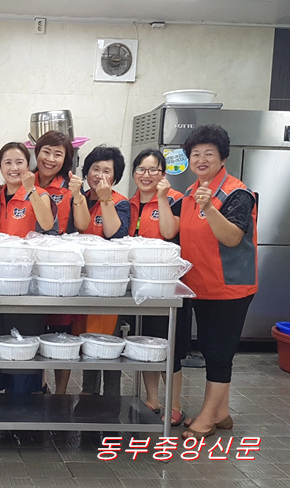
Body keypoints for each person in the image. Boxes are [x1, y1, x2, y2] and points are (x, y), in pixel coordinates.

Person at [162, 125, 257, 439]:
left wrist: (208, 208)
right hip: (199, 286)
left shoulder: (236, 193)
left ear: (223, 157)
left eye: (209, 154)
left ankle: (207, 419)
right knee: (209, 347)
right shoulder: (191, 192)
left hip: (229, 288)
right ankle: (221, 412)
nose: (201, 160)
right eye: (195, 154)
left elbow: (232, 237)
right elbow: (171, 230)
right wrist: (163, 198)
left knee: (218, 354)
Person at [126, 149, 187, 426]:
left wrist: (162, 198)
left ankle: (174, 404)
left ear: (163, 174)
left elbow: (169, 232)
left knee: (168, 347)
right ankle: (152, 399)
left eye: (153, 170)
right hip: (139, 287)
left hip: (166, 287)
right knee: (144, 343)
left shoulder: (175, 200)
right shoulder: (129, 204)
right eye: (141, 169)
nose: (146, 175)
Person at [0, 142, 54, 393]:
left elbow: (47, 224)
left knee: (24, 346)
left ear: (28, 166)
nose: (14, 168)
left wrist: (31, 190)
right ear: (0, 167)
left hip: (26, 284)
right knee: (0, 343)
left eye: (19, 162)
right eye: (7, 162)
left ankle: (25, 400)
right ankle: (0, 401)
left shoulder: (38, 194)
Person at [68, 145, 130, 396]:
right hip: (81, 283)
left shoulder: (121, 202)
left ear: (115, 177)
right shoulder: (79, 198)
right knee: (85, 340)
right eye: (95, 169)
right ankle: (88, 394)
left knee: (108, 342)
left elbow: (115, 234)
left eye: (107, 171)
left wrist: (106, 199)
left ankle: (112, 398)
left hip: (108, 284)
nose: (99, 175)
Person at [33, 130, 89, 394]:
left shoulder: (71, 186)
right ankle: (39, 384)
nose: (50, 159)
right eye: (46, 151)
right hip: (29, 266)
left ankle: (61, 392)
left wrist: (78, 195)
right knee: (32, 327)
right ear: (37, 153)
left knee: (60, 332)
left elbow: (83, 224)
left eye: (58, 154)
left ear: (66, 158)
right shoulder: (25, 180)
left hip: (59, 269)